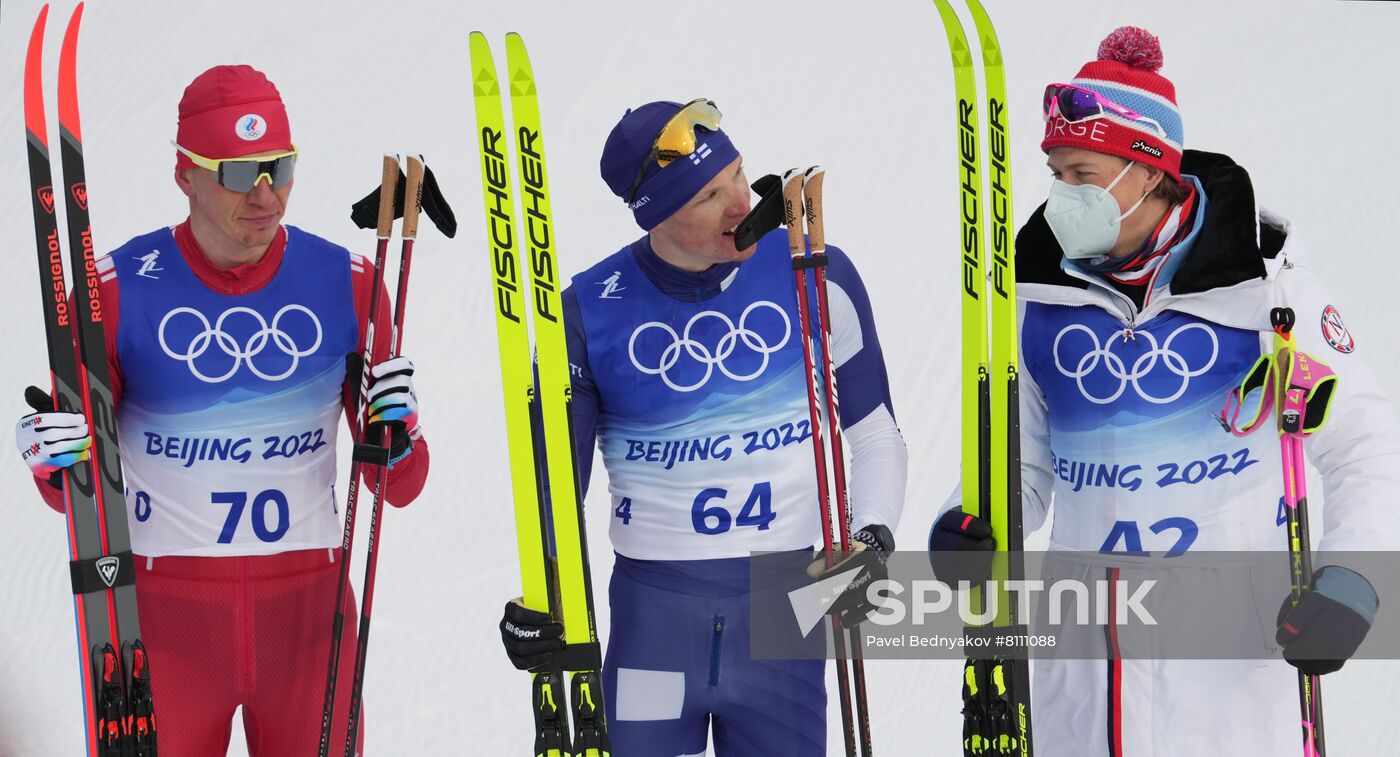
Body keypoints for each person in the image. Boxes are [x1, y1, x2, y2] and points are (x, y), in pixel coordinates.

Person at [928, 26, 1400, 756]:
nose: (1061, 196)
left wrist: (1355, 580)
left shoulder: (1265, 294)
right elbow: (1021, 467)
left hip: (1229, 674)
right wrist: (968, 525)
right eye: (1055, 172)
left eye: (1081, 175)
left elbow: (1366, 443)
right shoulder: (1037, 302)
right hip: (1085, 675)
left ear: (1145, 171)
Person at [13, 65, 430, 755]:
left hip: (306, 619)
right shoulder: (113, 291)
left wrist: (401, 430)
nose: (265, 194)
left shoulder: (350, 283)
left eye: (279, 166)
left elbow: (401, 485)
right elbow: (75, 488)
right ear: (185, 175)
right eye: (237, 173)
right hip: (163, 626)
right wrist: (53, 459)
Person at [497, 99, 908, 755]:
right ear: (656, 214)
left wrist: (873, 536)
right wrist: (542, 601)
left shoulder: (813, 271)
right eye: (709, 196)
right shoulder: (586, 311)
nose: (742, 204)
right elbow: (555, 496)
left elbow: (875, 433)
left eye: (740, 176)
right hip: (654, 619)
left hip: (787, 609)